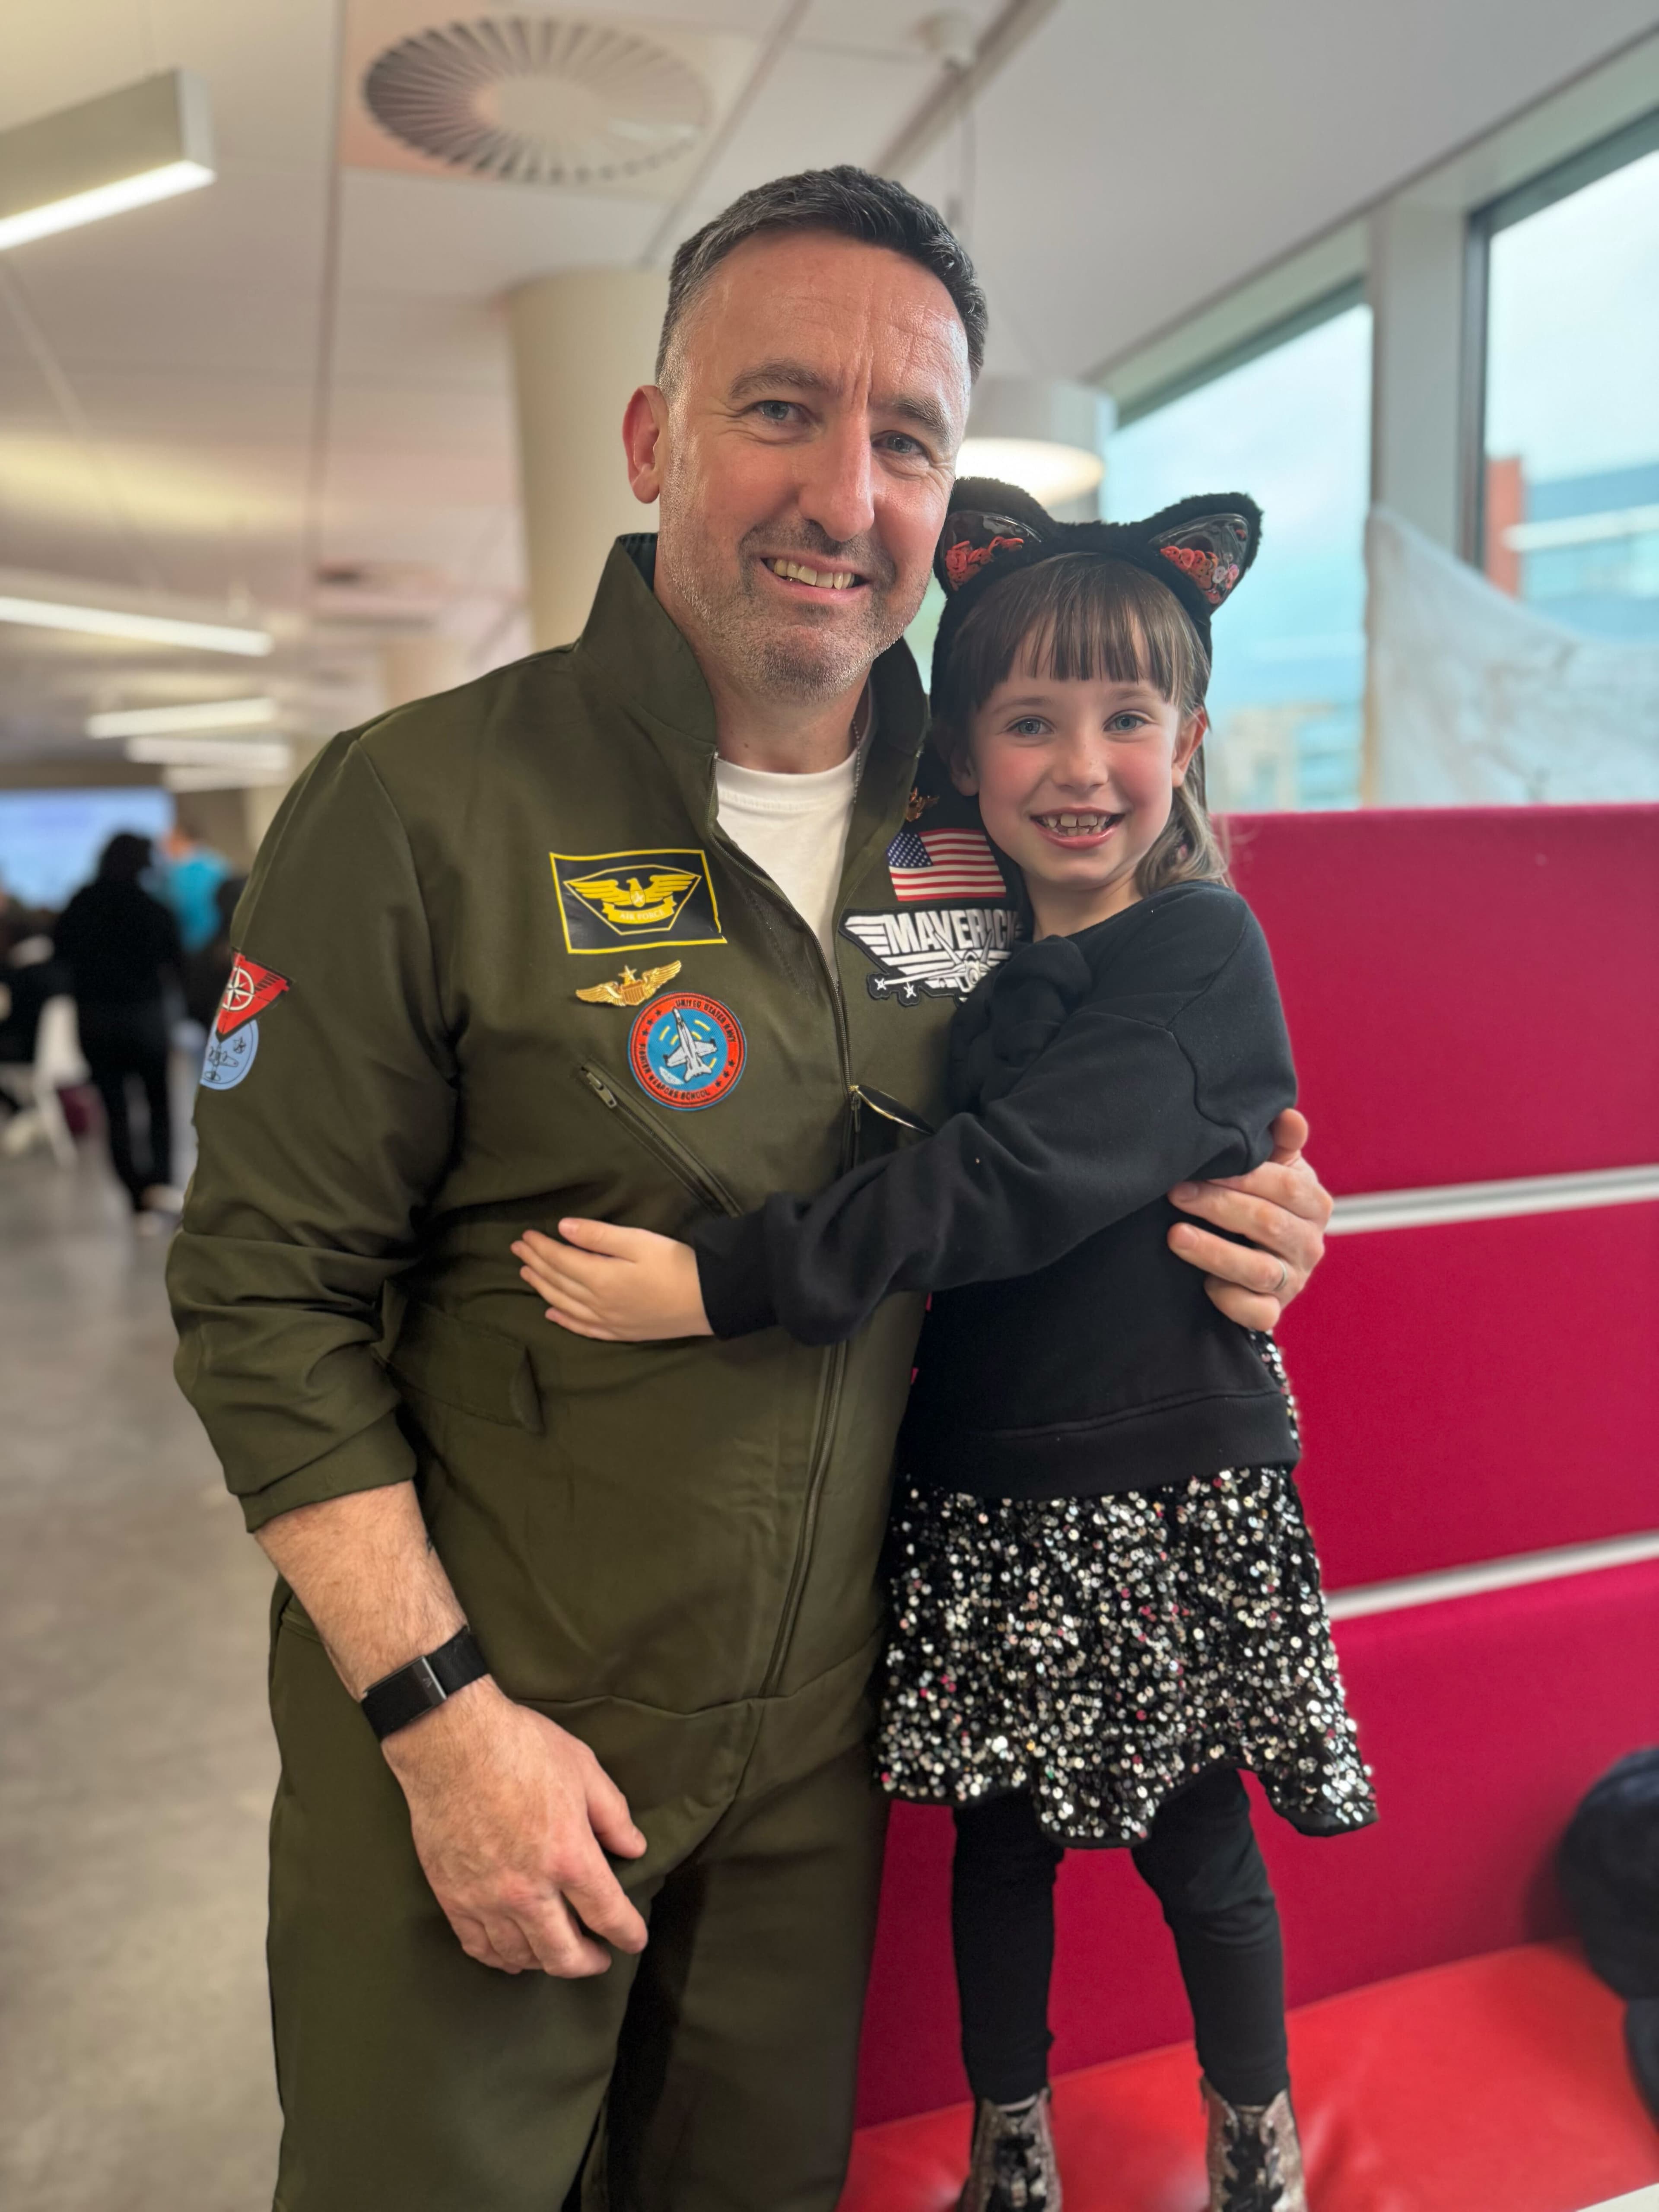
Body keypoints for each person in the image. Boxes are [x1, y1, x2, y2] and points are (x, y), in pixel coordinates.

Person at [168, 169, 1332, 2212]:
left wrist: (1256, 1215)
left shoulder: (990, 812)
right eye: (780, 408)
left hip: (821, 1748)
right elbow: (263, 1296)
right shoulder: (424, 806)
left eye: (907, 441)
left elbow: (1116, 1104)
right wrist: (440, 1716)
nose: (843, 494)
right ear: (653, 437)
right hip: (502, 1710)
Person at [516, 479, 1375, 2212]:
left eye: (1126, 717)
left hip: (1159, 1480)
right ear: (965, 753)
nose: (1081, 763)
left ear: (1189, 741)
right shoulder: (955, 952)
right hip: (981, 1478)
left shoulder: (1199, 947)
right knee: (999, 1846)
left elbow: (1013, 1181)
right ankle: (1012, 2140)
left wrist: (719, 1283)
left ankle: (1256, 2139)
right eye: (1031, 719)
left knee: (1201, 1843)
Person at [54, 832, 183, 1222]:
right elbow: (174, 961)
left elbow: (61, 957)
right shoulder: (152, 908)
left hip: (96, 1020)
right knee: (159, 1103)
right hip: (145, 1018)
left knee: (115, 1111)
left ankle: (135, 1195)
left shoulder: (80, 905)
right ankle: (160, 1185)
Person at [158, 815, 232, 957]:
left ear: (180, 839)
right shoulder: (218, 863)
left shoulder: (179, 874)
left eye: (168, 840)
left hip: (195, 945)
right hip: (217, 944)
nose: (164, 846)